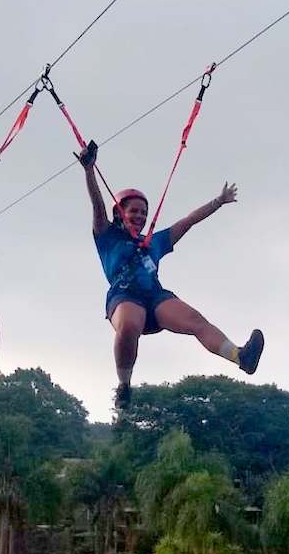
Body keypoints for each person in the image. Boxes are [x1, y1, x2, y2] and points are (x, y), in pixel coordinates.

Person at [78, 144, 264, 410]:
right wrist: (89, 170)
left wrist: (218, 202)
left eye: (144, 212)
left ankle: (240, 356)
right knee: (129, 325)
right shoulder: (107, 236)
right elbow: (97, 204)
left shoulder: (154, 242)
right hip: (124, 295)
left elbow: (187, 221)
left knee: (196, 320)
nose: (140, 216)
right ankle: (124, 386)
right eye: (134, 211)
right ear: (119, 213)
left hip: (155, 297)